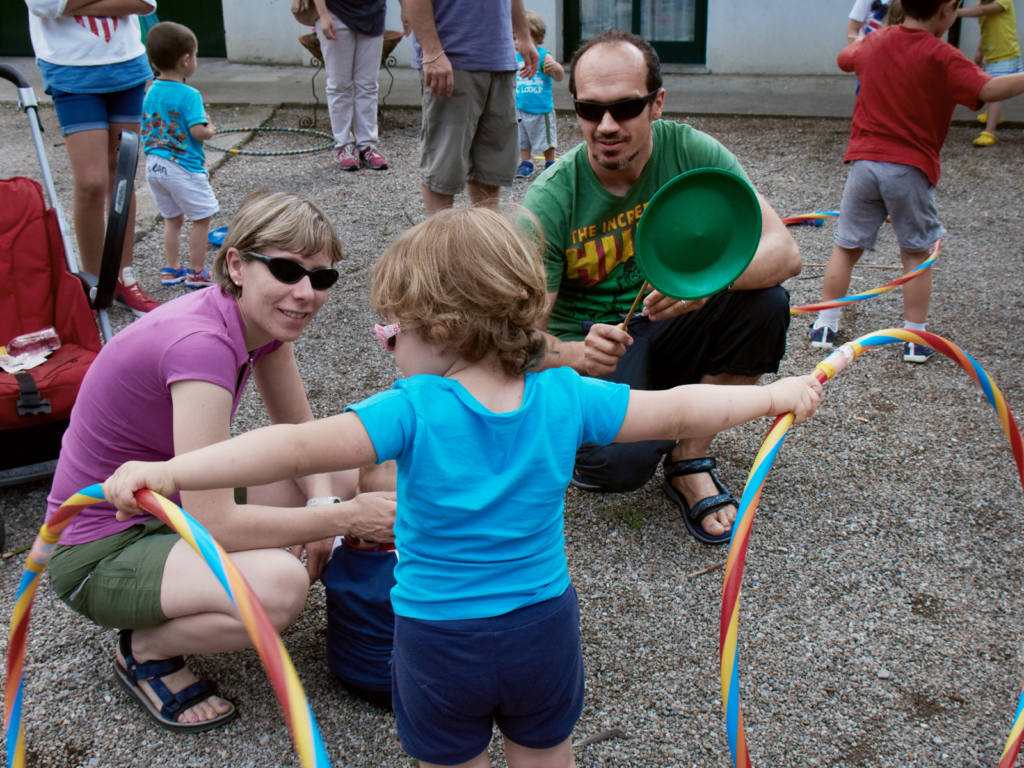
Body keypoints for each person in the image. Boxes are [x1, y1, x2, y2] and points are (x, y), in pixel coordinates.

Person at [104, 206, 823, 767]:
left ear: (439, 326)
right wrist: (775, 397)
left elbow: (284, 445)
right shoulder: (567, 396)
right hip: (543, 628)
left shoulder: (412, 410)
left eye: (392, 334)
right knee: (546, 753)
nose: (391, 350)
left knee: (451, 759)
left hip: (439, 640)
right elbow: (683, 406)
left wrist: (169, 471)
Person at [44, 191, 396, 732]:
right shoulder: (201, 342)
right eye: (286, 270)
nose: (305, 294)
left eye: (321, 279)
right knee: (280, 589)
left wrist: (326, 503)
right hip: (99, 545)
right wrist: (341, 520)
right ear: (236, 264)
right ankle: (145, 649)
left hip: (164, 502)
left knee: (340, 474)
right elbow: (216, 523)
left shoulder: (262, 328)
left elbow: (303, 437)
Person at [522, 30, 801, 547]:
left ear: (657, 104)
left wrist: (708, 287)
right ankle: (640, 420)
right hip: (595, 352)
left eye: (626, 107)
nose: (606, 126)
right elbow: (513, 343)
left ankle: (688, 456)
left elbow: (785, 253)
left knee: (764, 303)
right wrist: (574, 354)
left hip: (671, 325)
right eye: (589, 109)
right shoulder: (550, 202)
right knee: (617, 469)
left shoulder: (690, 151)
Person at [809, 0, 1024, 362]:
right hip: (909, 168)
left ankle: (824, 326)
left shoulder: (876, 41)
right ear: (946, 9)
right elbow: (987, 90)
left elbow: (845, 58)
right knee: (915, 253)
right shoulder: (942, 55)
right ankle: (915, 337)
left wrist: (861, 39)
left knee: (846, 248)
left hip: (864, 164)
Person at [25, 0, 161, 317]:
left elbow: (144, 3)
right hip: (69, 69)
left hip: (126, 64)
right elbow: (44, 5)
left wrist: (70, 5)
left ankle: (125, 278)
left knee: (123, 176)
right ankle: (94, 283)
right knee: (91, 182)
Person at [401, 0, 539, 214]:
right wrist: (432, 51)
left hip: (499, 57)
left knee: (490, 169)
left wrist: (523, 35)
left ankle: (482, 242)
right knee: (443, 168)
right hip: (452, 57)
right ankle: (440, 244)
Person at [141, 21, 218, 290]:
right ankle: (197, 272)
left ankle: (171, 270)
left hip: (154, 166)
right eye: (195, 56)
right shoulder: (189, 94)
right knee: (202, 219)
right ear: (186, 60)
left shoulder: (150, 91)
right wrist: (210, 129)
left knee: (172, 220)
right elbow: (198, 131)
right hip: (182, 167)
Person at [313, 0, 390, 171]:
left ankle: (367, 146)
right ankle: (344, 146)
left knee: (368, 84)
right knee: (339, 85)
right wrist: (324, 15)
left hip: (373, 13)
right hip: (335, 12)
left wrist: (405, 9)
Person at [958, 0, 1022, 146]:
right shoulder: (983, 4)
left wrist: (955, 13)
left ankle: (989, 132)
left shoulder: (1003, 2)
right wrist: (980, 51)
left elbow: (982, 11)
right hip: (993, 54)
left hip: (1005, 54)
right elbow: (986, 29)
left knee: (995, 94)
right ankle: (994, 115)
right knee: (992, 87)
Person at [514, 10, 564, 179]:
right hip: (520, 106)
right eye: (513, 38)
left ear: (534, 37)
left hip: (541, 108)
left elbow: (559, 76)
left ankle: (550, 161)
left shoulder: (543, 56)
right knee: (522, 138)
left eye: (518, 38)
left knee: (546, 139)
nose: (515, 43)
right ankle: (526, 161)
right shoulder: (514, 57)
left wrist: (555, 68)